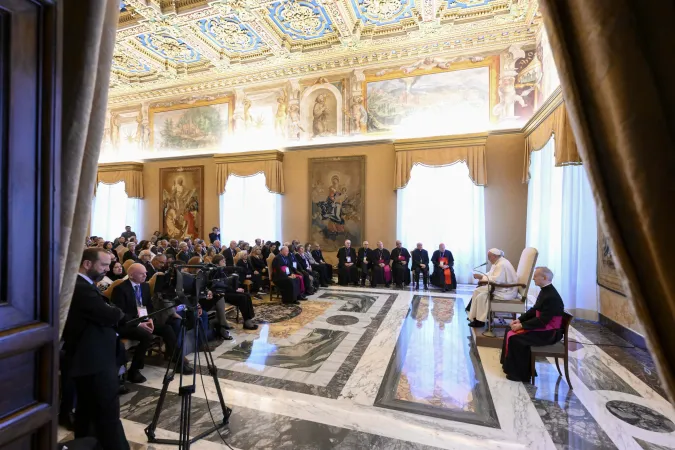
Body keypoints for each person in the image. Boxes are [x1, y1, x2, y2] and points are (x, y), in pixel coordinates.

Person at [61, 248, 130, 450]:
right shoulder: (80, 286)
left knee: (87, 411)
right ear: (87, 264)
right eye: (104, 265)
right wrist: (115, 312)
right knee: (107, 415)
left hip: (92, 357)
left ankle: (89, 445)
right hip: (93, 359)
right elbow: (109, 314)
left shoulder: (85, 284)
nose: (107, 269)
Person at [113, 263, 192, 382]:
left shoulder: (144, 287)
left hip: (144, 319)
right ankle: (134, 371)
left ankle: (179, 362)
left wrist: (150, 319)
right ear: (131, 275)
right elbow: (120, 313)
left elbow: (148, 306)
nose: (145, 275)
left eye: (145, 273)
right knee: (146, 336)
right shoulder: (120, 289)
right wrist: (139, 324)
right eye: (142, 273)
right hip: (127, 323)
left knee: (167, 329)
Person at [501, 267, 565, 382]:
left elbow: (543, 320)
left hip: (550, 333)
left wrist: (522, 326)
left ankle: (520, 374)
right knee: (509, 329)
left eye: (535, 276)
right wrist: (520, 320)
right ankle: (508, 367)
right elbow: (535, 310)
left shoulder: (551, 296)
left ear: (544, 278)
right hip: (544, 327)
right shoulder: (545, 291)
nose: (533, 278)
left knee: (516, 338)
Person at [468, 248, 519, 328]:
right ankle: (474, 317)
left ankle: (480, 321)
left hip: (506, 291)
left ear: (495, 256)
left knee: (481, 296)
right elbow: (491, 275)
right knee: (477, 291)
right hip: (501, 288)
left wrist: (481, 277)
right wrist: (481, 277)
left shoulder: (502, 264)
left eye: (489, 256)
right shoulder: (498, 262)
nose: (488, 259)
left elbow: (497, 280)